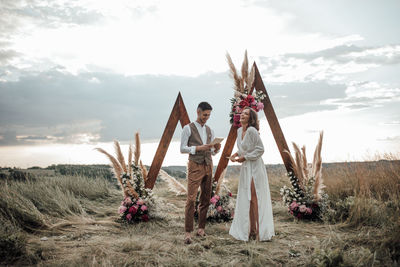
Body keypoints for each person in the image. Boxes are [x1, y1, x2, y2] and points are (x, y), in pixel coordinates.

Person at [229, 107, 275, 241]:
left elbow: (260, 149)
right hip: (246, 168)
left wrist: (246, 157)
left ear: (251, 118)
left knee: (255, 198)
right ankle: (251, 230)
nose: (242, 115)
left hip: (255, 167)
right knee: (248, 199)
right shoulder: (239, 131)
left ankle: (260, 232)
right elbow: (242, 148)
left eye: (246, 114)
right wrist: (236, 154)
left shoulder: (252, 130)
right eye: (242, 113)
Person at [180, 102, 221, 244]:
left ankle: (201, 228)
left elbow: (213, 153)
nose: (206, 118)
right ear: (198, 112)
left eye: (209, 115)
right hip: (195, 166)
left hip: (208, 165)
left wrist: (217, 149)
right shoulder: (188, 128)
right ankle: (187, 232)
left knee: (205, 198)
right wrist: (198, 148)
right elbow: (182, 148)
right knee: (191, 199)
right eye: (204, 115)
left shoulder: (210, 130)